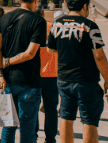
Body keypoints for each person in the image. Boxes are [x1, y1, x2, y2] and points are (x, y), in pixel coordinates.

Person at [46, 0, 108, 143]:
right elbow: (99, 56)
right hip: (86, 80)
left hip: (64, 79)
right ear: (84, 6)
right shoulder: (90, 26)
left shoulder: (57, 24)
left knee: (66, 117)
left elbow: (50, 50)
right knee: (89, 120)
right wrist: (107, 80)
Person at [0, 0, 47, 143]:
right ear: (36, 0)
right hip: (28, 81)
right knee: (27, 128)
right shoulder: (38, 21)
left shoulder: (4, 18)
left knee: (8, 126)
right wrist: (8, 62)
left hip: (7, 81)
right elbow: (30, 53)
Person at [38, 10, 62, 143]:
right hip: (52, 72)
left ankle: (33, 135)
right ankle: (50, 138)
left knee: (33, 107)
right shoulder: (52, 27)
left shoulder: (30, 26)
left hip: (35, 72)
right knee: (51, 108)